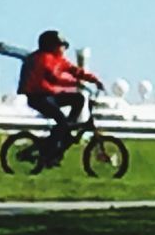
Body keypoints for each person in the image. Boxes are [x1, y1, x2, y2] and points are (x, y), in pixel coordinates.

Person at [18, 29, 104, 167]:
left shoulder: (58, 60)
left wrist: (94, 80)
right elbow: (53, 78)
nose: (63, 49)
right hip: (38, 97)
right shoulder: (43, 58)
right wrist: (75, 83)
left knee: (78, 99)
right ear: (51, 46)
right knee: (62, 123)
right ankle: (49, 153)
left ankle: (66, 129)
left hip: (49, 95)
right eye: (61, 46)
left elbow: (75, 71)